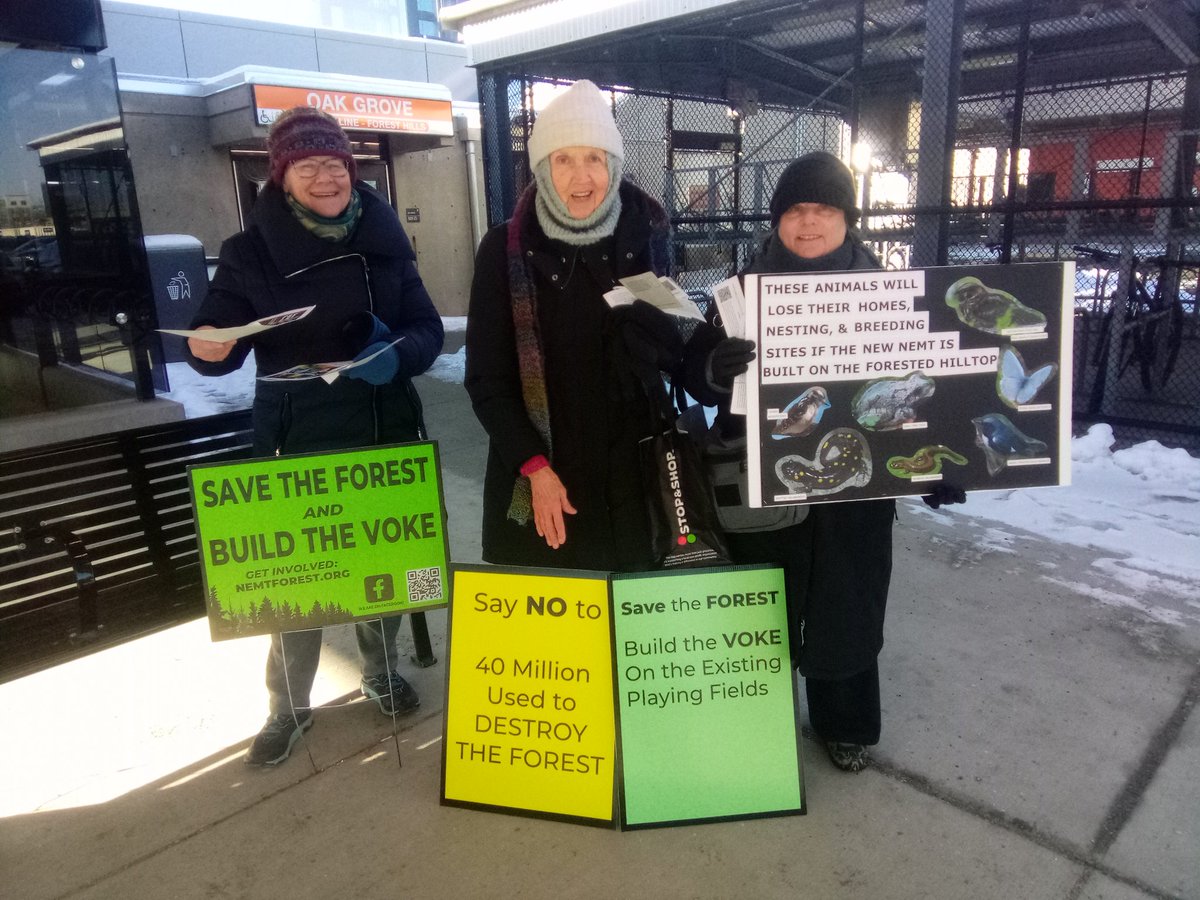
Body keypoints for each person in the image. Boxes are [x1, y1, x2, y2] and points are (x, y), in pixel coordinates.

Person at [184, 106, 444, 766]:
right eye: (309, 166)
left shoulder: (384, 238)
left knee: (383, 569)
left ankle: (381, 671)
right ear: (284, 176)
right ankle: (288, 705)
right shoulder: (249, 251)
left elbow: (426, 327)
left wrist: (401, 354)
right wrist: (207, 347)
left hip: (381, 425)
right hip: (293, 435)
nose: (325, 178)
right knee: (295, 582)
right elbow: (217, 333)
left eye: (334, 164)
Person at [690, 151, 963, 773]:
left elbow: (921, 394)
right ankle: (752, 721)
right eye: (794, 210)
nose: (807, 223)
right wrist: (712, 368)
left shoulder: (893, 301)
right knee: (761, 608)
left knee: (849, 607)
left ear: (847, 218)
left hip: (855, 498)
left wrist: (939, 469)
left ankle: (845, 723)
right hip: (763, 487)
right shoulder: (739, 293)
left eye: (823, 210)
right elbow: (697, 374)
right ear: (776, 219)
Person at [465, 79, 698, 572]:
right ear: (543, 169)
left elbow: (676, 342)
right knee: (564, 634)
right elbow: (487, 380)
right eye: (564, 159)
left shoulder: (644, 237)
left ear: (612, 165)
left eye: (594, 158)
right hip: (549, 472)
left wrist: (695, 353)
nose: (581, 176)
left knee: (634, 623)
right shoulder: (504, 250)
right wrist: (534, 467)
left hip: (635, 472)